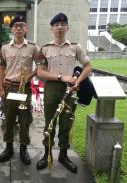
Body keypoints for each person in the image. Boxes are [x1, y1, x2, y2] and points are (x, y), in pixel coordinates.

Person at [35, 13, 92, 173]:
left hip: (70, 89)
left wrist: (78, 80)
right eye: (56, 25)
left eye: (63, 25)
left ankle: (63, 155)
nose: (59, 27)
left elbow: (88, 66)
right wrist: (61, 77)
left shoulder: (75, 47)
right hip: (52, 89)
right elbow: (40, 72)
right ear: (51, 28)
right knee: (49, 122)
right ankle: (47, 154)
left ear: (67, 28)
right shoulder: (44, 49)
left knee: (67, 123)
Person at [0, 15, 39, 165]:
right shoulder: (4, 47)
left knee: (25, 119)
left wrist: (31, 75)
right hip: (9, 87)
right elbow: (1, 68)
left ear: (26, 28)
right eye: (16, 26)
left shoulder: (33, 47)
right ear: (12, 29)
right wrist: (1, 88)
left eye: (22, 26)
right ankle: (8, 147)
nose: (19, 28)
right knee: (8, 119)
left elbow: (41, 65)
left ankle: (23, 148)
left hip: (24, 88)